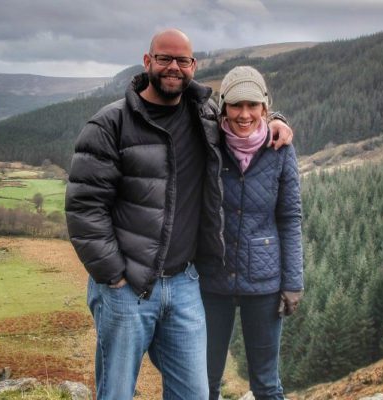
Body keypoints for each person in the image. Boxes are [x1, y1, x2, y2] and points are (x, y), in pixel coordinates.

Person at [65, 29, 293, 399]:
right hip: (129, 288)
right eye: (164, 59)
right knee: (117, 392)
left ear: (193, 66)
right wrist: (114, 277)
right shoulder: (109, 124)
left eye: (182, 61)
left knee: (195, 394)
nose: (173, 67)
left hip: (186, 285)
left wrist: (277, 121)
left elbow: (244, 118)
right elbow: (84, 209)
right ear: (147, 61)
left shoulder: (202, 116)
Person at [197, 66, 303, 400]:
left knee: (266, 384)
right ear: (223, 106)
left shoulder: (280, 149)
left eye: (253, 105)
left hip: (264, 281)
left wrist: (293, 282)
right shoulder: (208, 142)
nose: (244, 114)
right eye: (236, 105)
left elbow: (289, 218)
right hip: (212, 278)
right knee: (205, 380)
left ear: (265, 108)